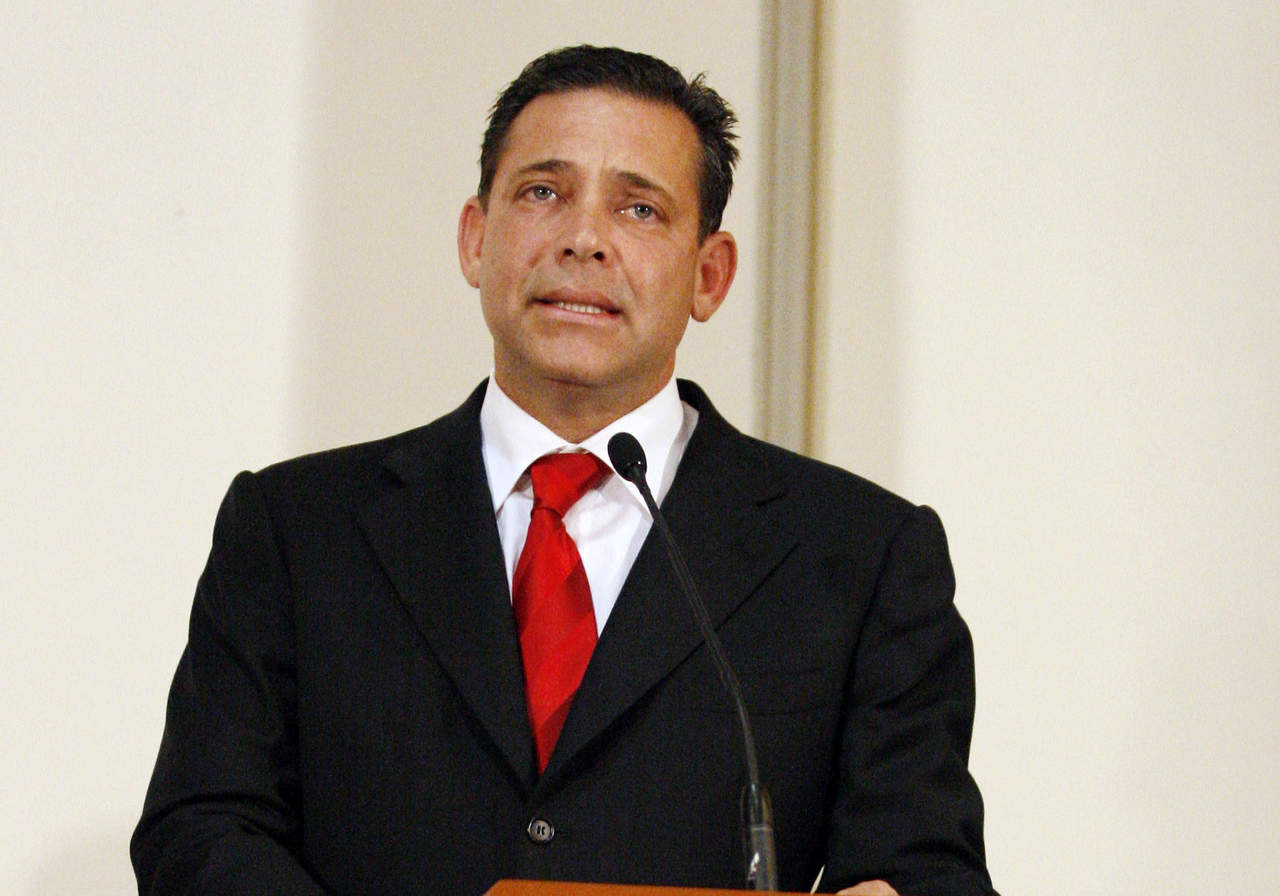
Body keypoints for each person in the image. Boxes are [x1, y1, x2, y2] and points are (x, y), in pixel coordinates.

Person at [132, 45, 998, 896]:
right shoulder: (296, 528)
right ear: (476, 240)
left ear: (710, 275)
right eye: (543, 192)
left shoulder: (859, 555)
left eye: (639, 209)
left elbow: (925, 865)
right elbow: (201, 830)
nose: (584, 239)